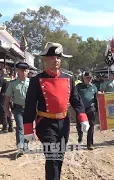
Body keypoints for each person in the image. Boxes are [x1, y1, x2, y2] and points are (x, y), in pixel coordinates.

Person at [23, 42, 90, 180]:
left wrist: (83, 117)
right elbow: (30, 105)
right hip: (45, 124)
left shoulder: (68, 78)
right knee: (52, 156)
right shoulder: (37, 80)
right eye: (52, 57)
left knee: (59, 157)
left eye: (58, 57)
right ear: (45, 60)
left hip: (63, 123)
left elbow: (76, 100)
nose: (56, 60)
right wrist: (27, 128)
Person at [4, 62, 30, 156]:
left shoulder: (31, 83)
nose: (23, 72)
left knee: (28, 128)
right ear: (17, 71)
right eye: (21, 70)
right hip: (18, 109)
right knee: (20, 128)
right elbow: (7, 97)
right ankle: (20, 147)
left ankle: (26, 145)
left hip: (29, 109)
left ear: (28, 71)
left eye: (25, 70)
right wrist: (7, 110)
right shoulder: (13, 84)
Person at [76, 71, 98, 150]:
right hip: (81, 109)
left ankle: (90, 144)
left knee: (91, 126)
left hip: (91, 109)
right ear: (83, 78)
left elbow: (96, 97)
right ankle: (80, 137)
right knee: (79, 125)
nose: (88, 79)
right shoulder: (78, 87)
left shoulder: (94, 87)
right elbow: (74, 97)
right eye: (87, 78)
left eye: (90, 78)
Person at [0, 68, 12, 133]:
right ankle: (10, 126)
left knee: (3, 111)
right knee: (8, 110)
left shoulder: (1, 78)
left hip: (2, 95)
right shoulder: (9, 78)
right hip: (9, 95)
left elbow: (0, 88)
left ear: (1, 71)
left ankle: (5, 127)